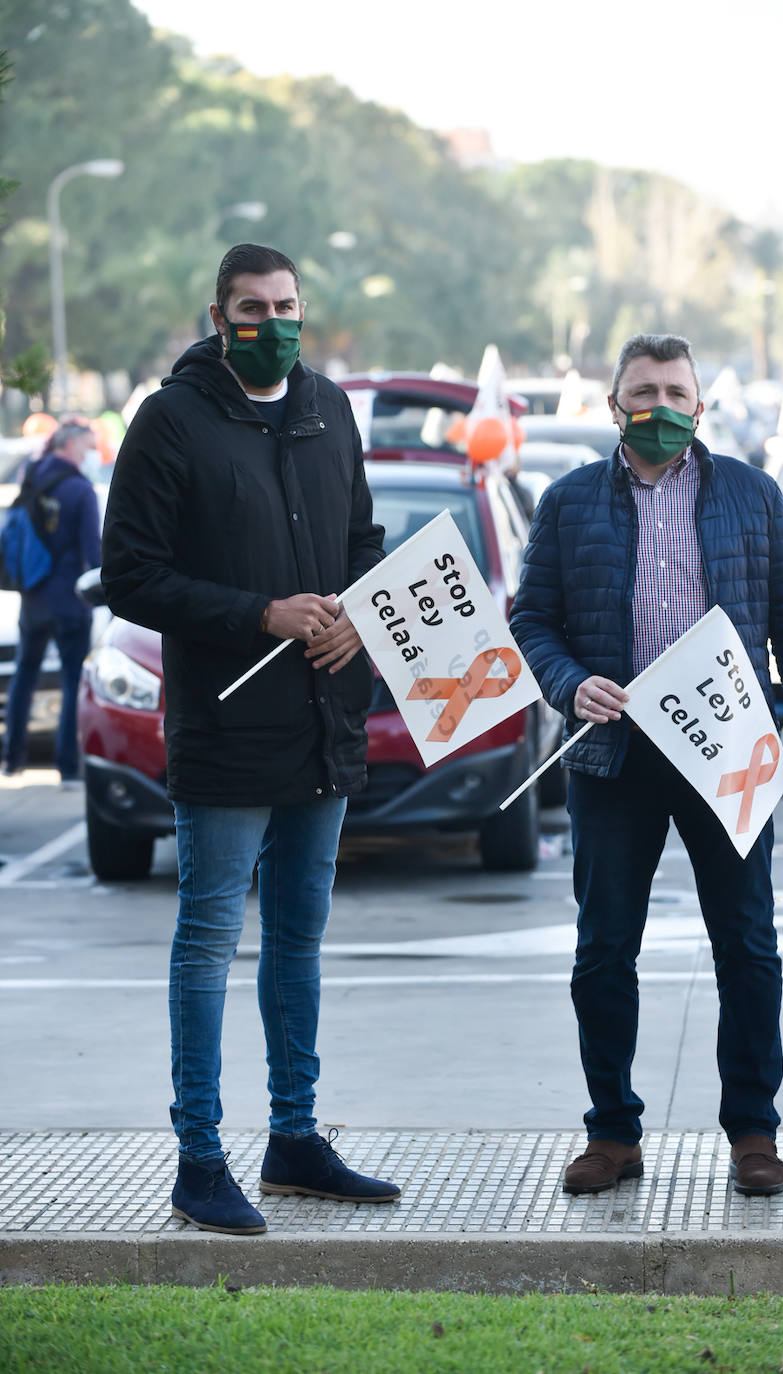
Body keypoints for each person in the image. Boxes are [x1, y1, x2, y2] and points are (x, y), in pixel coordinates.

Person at [101, 243, 400, 1235]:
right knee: (207, 943)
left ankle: (295, 1141)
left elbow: (363, 543)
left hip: (323, 725)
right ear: (215, 315)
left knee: (300, 943)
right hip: (224, 727)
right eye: (248, 308)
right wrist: (257, 613)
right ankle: (198, 1157)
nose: (269, 322)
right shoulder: (170, 419)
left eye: (285, 307)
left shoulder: (329, 408)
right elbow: (131, 576)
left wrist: (357, 608)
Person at [510, 333, 783, 1198]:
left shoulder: (752, 496)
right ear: (615, 405)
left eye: (676, 393)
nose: (660, 408)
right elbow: (531, 619)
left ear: (701, 406)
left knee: (748, 947)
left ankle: (754, 1132)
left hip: (730, 755)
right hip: (613, 760)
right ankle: (613, 1135)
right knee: (603, 951)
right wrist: (568, 681)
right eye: (643, 392)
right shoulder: (570, 500)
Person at [2, 419, 101, 784]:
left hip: (32, 597)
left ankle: (12, 759)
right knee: (73, 680)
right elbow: (94, 555)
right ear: (72, 445)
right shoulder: (80, 490)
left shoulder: (31, 477)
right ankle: (67, 767)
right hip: (71, 602)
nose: (91, 456)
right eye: (89, 448)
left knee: (24, 677)